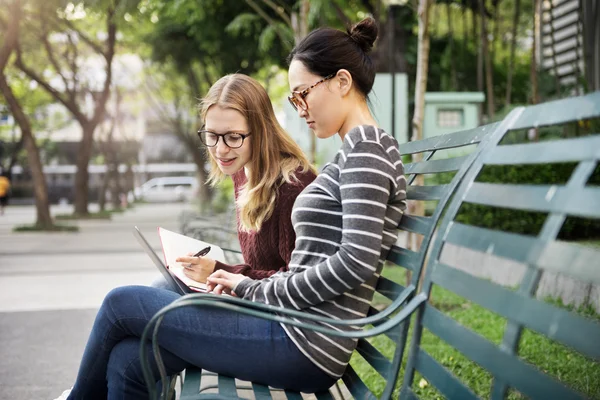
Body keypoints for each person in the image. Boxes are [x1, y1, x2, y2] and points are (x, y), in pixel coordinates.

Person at [54, 17, 407, 400]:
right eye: (293, 99)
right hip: (289, 326)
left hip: (301, 342)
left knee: (120, 302)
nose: (300, 108)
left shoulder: (367, 150)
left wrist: (247, 286)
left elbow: (355, 262)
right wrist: (242, 282)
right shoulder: (356, 151)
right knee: (129, 359)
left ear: (341, 82)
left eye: (303, 93)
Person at [151, 74, 316, 293]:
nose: (220, 149)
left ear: (260, 133)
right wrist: (217, 271)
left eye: (233, 137)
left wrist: (220, 271)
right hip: (250, 300)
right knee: (163, 285)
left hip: (275, 316)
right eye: (212, 135)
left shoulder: (291, 188)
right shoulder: (242, 172)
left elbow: (298, 281)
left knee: (122, 303)